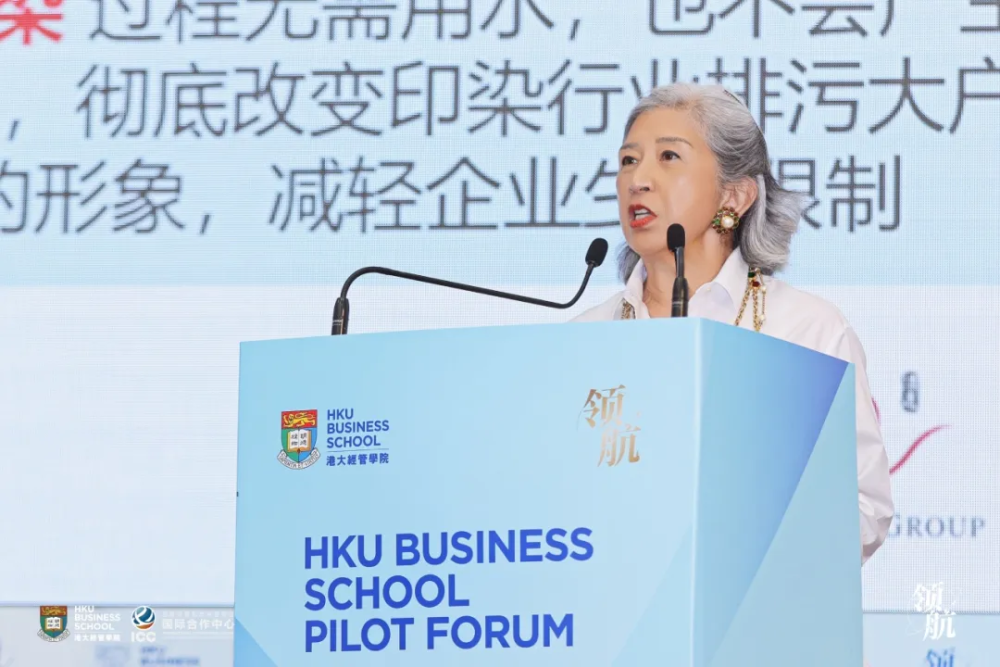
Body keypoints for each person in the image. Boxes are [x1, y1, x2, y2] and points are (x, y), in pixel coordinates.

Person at [573, 83, 894, 566]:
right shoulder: (583, 339)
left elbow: (863, 512)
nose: (638, 179)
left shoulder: (807, 332)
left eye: (668, 157)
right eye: (628, 161)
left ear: (736, 195)